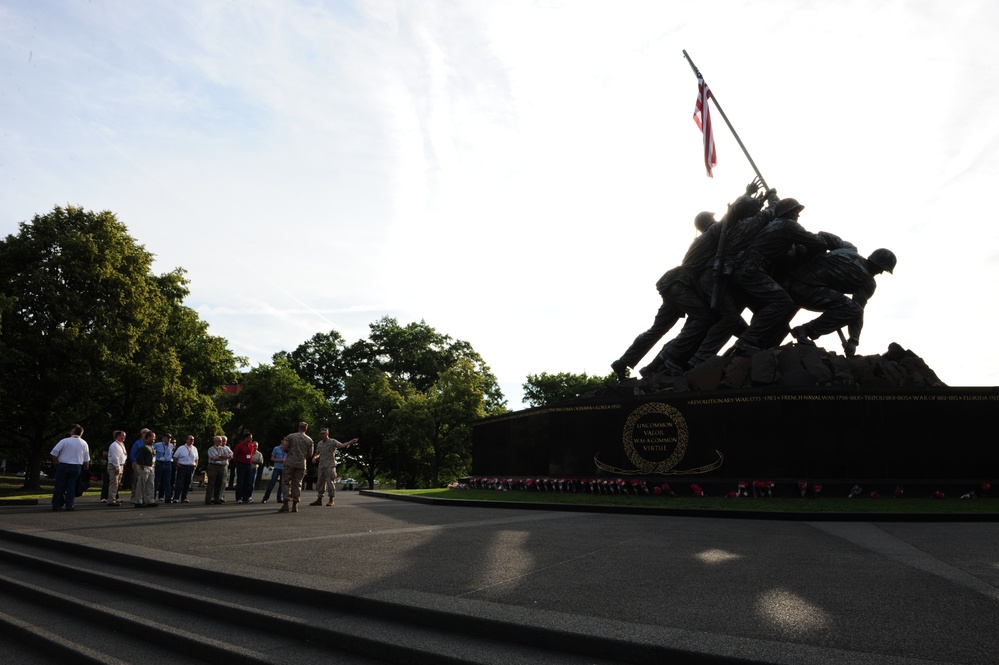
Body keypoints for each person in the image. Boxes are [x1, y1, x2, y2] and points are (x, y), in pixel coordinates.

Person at [786, 248, 896, 356]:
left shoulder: (848, 252)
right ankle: (805, 330)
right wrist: (853, 341)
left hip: (789, 280)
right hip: (805, 289)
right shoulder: (867, 281)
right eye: (882, 269)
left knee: (845, 305)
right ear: (877, 265)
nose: (881, 273)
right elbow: (858, 310)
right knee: (853, 309)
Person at [310, 428, 358, 507]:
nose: (322, 435)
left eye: (324, 433)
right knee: (320, 483)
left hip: (330, 465)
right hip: (322, 465)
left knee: (330, 482)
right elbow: (318, 453)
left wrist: (351, 442)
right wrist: (315, 457)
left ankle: (331, 499)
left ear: (327, 434)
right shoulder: (319, 443)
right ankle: (319, 499)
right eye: (321, 433)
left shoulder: (332, 441)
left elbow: (342, 445)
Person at [50, 424, 90, 511]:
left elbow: (54, 453)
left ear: (72, 432)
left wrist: (55, 462)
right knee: (71, 486)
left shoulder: (64, 441)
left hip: (63, 465)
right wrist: (86, 469)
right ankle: (69, 505)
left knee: (59, 486)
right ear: (81, 433)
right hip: (76, 466)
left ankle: (56, 504)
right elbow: (86, 459)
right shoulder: (84, 443)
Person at [279, 422, 314, 513]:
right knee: (298, 483)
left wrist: (290, 451)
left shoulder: (290, 436)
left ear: (298, 427)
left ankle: (285, 504)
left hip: (290, 462)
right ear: (306, 429)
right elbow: (310, 454)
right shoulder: (309, 440)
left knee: (286, 482)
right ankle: (295, 504)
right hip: (301, 464)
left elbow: (284, 448)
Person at [132, 430, 157, 508]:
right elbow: (140, 458)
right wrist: (142, 466)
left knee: (150, 484)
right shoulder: (143, 447)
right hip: (145, 467)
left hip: (151, 466)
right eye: (153, 437)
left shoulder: (152, 447)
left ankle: (150, 500)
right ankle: (138, 501)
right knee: (141, 485)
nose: (154, 439)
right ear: (148, 437)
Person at [205, 435, 232, 505]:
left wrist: (221, 457)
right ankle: (208, 499)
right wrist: (223, 457)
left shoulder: (223, 449)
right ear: (215, 441)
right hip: (213, 466)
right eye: (219, 441)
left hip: (222, 466)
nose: (221, 442)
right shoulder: (211, 449)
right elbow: (214, 458)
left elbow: (230, 455)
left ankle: (216, 499)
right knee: (211, 483)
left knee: (219, 483)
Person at [172, 435, 199, 503]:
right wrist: (177, 464)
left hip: (191, 467)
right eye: (190, 439)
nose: (192, 441)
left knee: (187, 483)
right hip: (182, 466)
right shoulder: (181, 448)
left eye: (193, 439)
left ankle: (184, 497)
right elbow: (175, 457)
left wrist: (195, 465)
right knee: (179, 482)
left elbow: (196, 458)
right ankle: (176, 497)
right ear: (186, 440)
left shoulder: (194, 448)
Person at [261, 437, 287, 504]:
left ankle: (279, 498)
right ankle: (265, 498)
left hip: (284, 468)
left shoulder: (288, 449)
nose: (286, 442)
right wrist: (279, 460)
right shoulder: (276, 448)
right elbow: (272, 458)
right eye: (285, 440)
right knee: (272, 483)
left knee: (282, 484)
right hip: (277, 467)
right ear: (281, 441)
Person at [233, 433, 256, 504]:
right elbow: (235, 455)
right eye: (250, 438)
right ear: (246, 438)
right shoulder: (239, 445)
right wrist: (238, 462)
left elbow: (252, 453)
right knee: (240, 482)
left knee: (248, 482)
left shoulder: (251, 445)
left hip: (248, 465)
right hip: (241, 465)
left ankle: (246, 497)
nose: (251, 439)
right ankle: (239, 498)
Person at [106, 430, 127, 507]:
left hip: (121, 465)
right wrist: (117, 467)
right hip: (114, 466)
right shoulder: (114, 445)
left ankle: (113, 498)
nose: (124, 437)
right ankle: (111, 500)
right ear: (117, 436)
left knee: (117, 483)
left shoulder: (121, 444)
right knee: (114, 483)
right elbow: (115, 457)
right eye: (122, 435)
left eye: (124, 436)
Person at [154, 433, 175, 503]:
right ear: (163, 438)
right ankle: (152, 497)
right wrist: (155, 460)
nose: (169, 439)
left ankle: (168, 497)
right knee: (157, 481)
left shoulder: (171, 445)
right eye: (167, 438)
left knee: (167, 481)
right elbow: (153, 453)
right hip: (159, 463)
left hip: (168, 463)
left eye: (170, 438)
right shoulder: (157, 445)